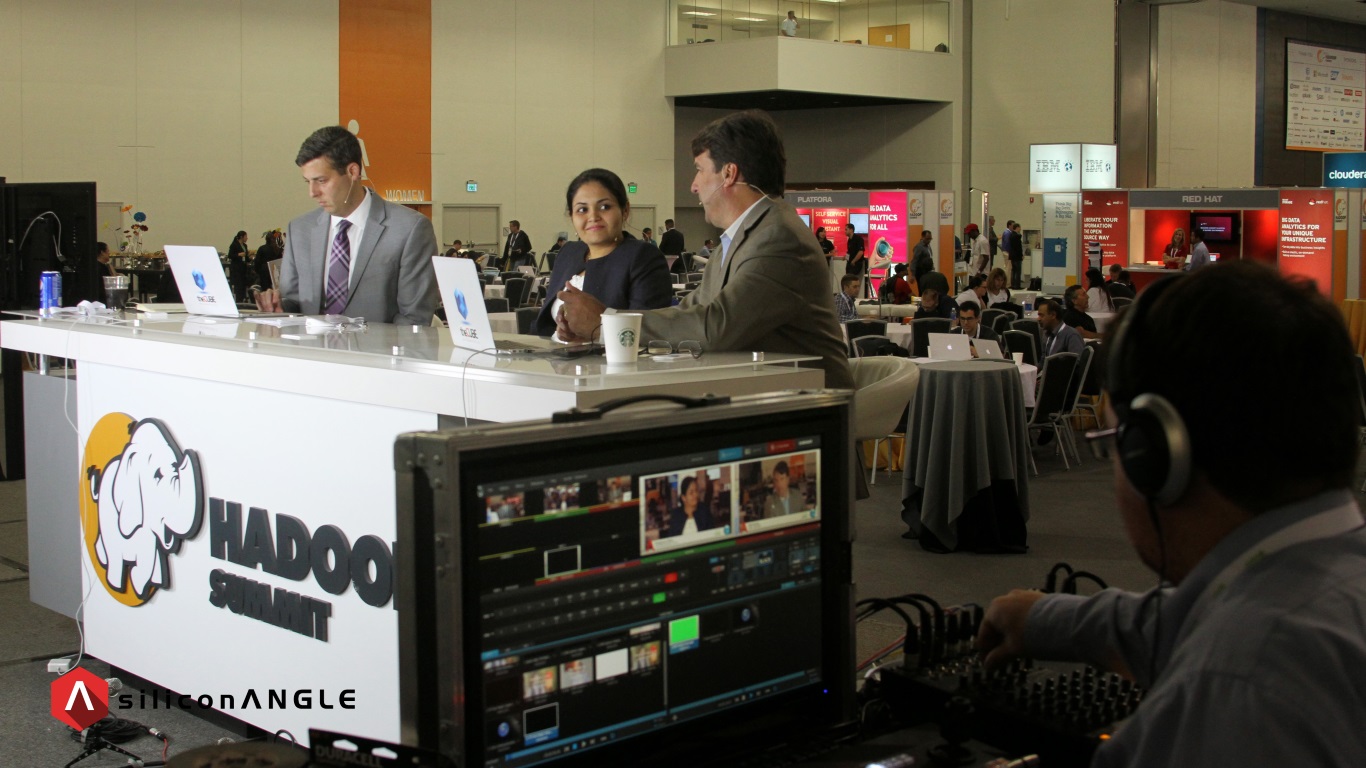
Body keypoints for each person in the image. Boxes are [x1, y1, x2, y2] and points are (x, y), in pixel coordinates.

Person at [975, 263, 1366, 767]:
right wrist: (1050, 619)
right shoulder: (1321, 581)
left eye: (1118, 444)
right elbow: (1198, 614)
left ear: (1154, 455)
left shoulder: (1235, 688)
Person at [554, 110, 854, 389]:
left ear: (729, 174)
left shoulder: (778, 237)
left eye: (699, 170)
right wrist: (603, 325)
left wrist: (606, 323)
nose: (694, 185)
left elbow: (715, 327)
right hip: (763, 394)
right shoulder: (744, 236)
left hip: (806, 410)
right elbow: (690, 311)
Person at [257, 125, 438, 325]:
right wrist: (280, 309)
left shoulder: (409, 229)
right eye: (307, 181)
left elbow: (414, 320)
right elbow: (293, 303)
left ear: (353, 172)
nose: (312, 192)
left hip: (376, 355)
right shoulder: (300, 230)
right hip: (312, 353)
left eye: (321, 180)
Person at [533, 168, 672, 336]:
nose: (593, 217)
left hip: (612, 360)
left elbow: (648, 334)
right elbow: (544, 326)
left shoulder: (642, 257)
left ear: (625, 210)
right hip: (556, 357)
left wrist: (597, 329)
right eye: (582, 210)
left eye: (604, 207)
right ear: (572, 217)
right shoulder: (568, 253)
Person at [227, 230, 249, 302]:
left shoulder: (245, 246)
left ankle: (243, 298)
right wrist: (238, 255)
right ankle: (238, 300)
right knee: (238, 285)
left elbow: (246, 256)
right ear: (242, 237)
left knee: (243, 285)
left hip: (243, 267)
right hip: (237, 268)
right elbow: (230, 255)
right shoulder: (234, 245)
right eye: (245, 236)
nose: (247, 238)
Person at [1008, 221, 1024, 289]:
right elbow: (1018, 247)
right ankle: (1017, 285)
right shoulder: (1017, 236)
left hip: (1012, 255)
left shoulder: (1011, 235)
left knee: (1013, 270)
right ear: (1017, 228)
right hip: (1017, 256)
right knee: (1018, 271)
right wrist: (1021, 255)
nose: (1020, 229)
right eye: (1019, 228)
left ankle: (1013, 284)